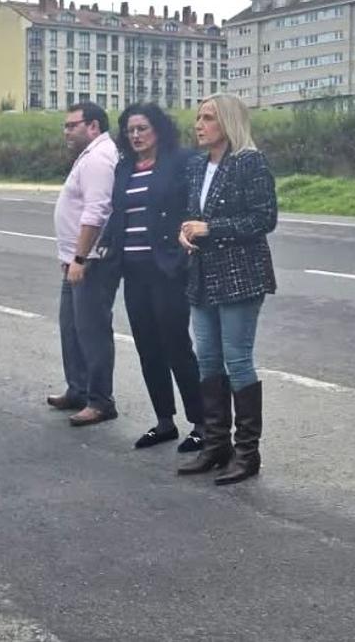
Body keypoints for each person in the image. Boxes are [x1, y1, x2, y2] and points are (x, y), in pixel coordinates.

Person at [177, 93, 277, 485]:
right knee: (207, 360)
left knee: (237, 361)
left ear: (229, 122)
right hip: (202, 274)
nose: (199, 125)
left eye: (208, 118)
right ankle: (215, 446)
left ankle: (246, 453)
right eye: (198, 117)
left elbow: (264, 218)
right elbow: (194, 216)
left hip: (240, 276)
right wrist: (184, 230)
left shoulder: (249, 162)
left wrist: (211, 229)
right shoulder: (197, 166)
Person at [102, 104, 205, 452]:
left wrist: (183, 253)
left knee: (177, 345)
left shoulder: (182, 161)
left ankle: (201, 423)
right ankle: (164, 421)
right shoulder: (125, 167)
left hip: (166, 269)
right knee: (148, 347)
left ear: (157, 129)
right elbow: (117, 215)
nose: (135, 135)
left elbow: (196, 205)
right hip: (133, 271)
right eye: (130, 130)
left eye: (142, 128)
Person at [49, 102, 121, 427]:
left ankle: (100, 400)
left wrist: (79, 258)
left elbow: (96, 212)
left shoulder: (99, 159)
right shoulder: (90, 155)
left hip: (90, 262)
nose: (66, 131)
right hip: (75, 261)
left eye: (71, 125)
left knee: (92, 331)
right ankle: (78, 389)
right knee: (71, 328)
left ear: (92, 126)